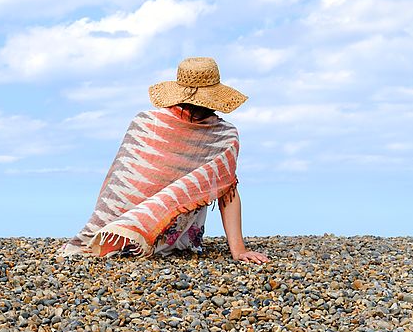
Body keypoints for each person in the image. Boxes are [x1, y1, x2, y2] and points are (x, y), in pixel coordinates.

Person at [58, 57, 269, 264]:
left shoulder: (218, 134)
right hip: (178, 238)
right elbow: (120, 185)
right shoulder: (217, 133)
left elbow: (226, 189)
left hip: (153, 235)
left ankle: (126, 233)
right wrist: (238, 250)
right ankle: (130, 231)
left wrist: (238, 250)